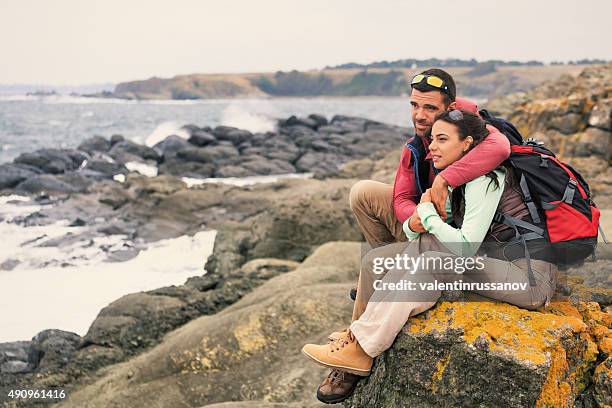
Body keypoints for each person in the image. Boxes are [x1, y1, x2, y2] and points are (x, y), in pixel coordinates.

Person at [304, 109, 558, 404]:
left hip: (527, 279)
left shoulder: (486, 179)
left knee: (432, 254)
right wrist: (416, 221)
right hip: (493, 263)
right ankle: (353, 350)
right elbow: (423, 233)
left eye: (441, 139)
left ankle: (362, 345)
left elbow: (463, 247)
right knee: (375, 262)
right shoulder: (455, 177)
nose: (432, 146)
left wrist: (426, 215)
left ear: (467, 144)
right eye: (432, 139)